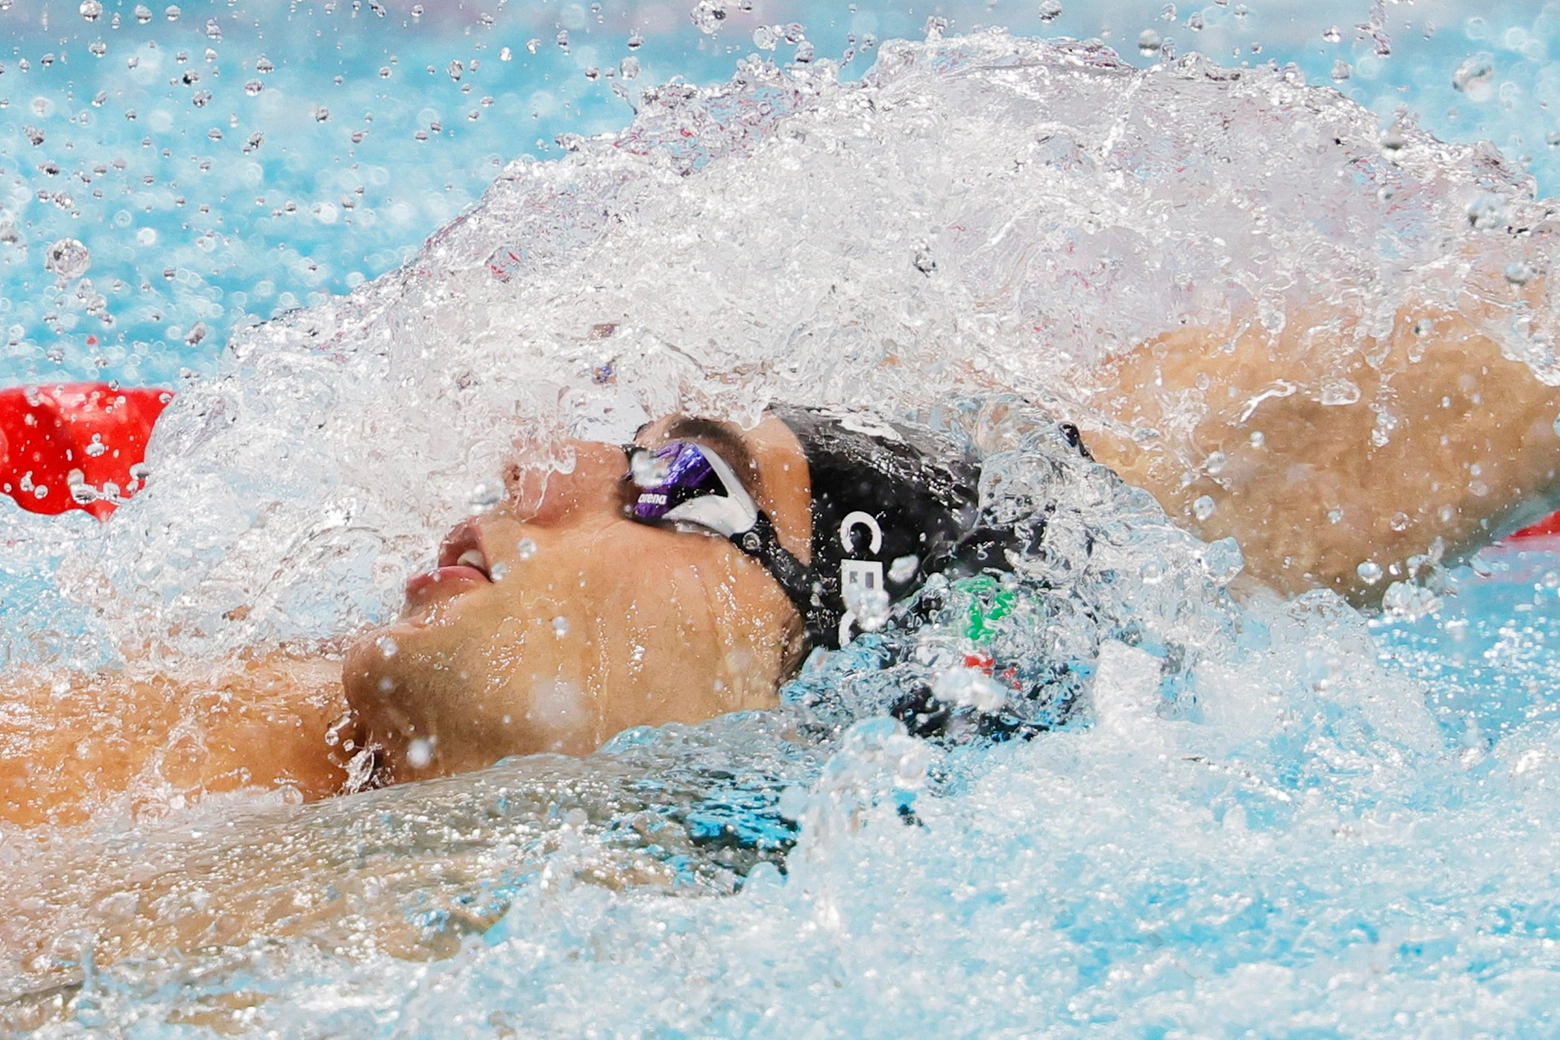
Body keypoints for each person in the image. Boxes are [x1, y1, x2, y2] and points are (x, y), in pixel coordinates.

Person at [5, 293, 1560, 828]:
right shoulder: (229, 763)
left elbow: (1180, 504)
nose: (537, 469)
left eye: (682, 486)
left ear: (822, 688)